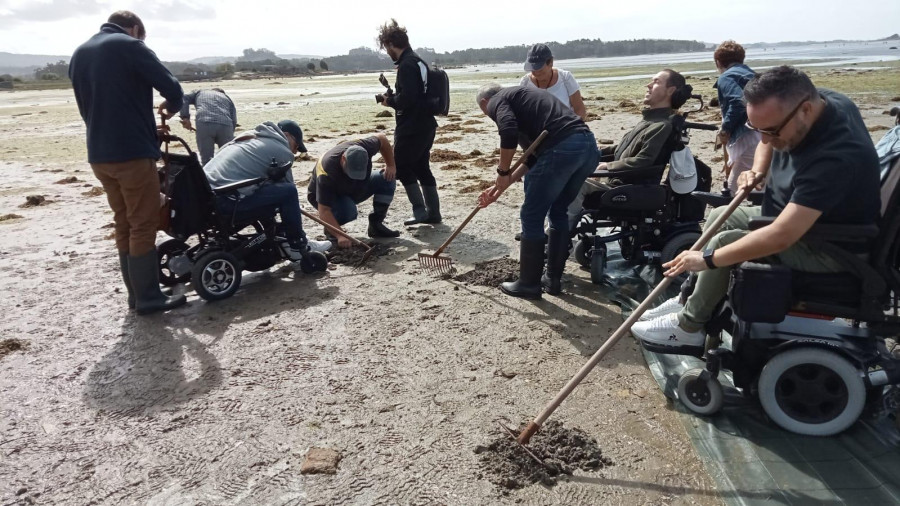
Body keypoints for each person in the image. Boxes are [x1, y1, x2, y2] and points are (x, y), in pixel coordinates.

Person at [631, 66, 881, 353]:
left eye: (773, 130)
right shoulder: (819, 101)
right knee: (719, 216)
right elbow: (766, 137)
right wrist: (758, 170)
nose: (767, 139)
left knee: (724, 243)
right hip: (805, 221)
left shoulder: (836, 158)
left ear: (806, 110)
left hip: (831, 248)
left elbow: (781, 236)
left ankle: (689, 328)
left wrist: (708, 260)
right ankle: (692, 297)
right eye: (758, 128)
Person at [69, 11, 187, 315]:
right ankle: (149, 298)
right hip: (132, 155)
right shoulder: (130, 46)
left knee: (123, 222)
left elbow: (99, 107)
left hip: (99, 154)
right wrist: (171, 107)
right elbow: (172, 88)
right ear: (136, 29)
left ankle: (136, 296)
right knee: (143, 224)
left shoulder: (80, 53)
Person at [476, 83, 600, 299]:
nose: (490, 115)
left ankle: (528, 284)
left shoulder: (497, 100)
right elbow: (532, 157)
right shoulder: (527, 102)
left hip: (563, 148)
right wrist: (501, 185)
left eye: (486, 113)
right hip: (587, 147)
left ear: (485, 103)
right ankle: (551, 280)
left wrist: (502, 170)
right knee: (558, 210)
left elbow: (507, 131)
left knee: (531, 214)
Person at [566, 69, 693, 230]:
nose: (648, 85)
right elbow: (618, 150)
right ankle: (557, 233)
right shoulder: (649, 121)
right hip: (619, 183)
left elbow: (645, 161)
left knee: (574, 185)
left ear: (670, 90)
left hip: (629, 187)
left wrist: (608, 166)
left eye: (656, 82)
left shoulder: (662, 126)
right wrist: (587, 154)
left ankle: (561, 236)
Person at [203, 120, 331, 259]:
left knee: (268, 191)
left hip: (205, 197)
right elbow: (289, 190)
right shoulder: (281, 150)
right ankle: (297, 246)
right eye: (296, 146)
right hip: (226, 201)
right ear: (287, 135)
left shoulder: (248, 138)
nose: (294, 152)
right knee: (288, 192)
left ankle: (281, 236)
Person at [376, 19, 441, 226]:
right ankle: (433, 213)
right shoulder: (418, 61)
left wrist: (389, 101)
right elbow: (417, 94)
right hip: (426, 124)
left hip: (412, 126)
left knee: (402, 166)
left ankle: (420, 212)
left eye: (386, 47)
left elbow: (408, 99)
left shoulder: (406, 64)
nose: (387, 52)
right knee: (422, 167)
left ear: (391, 44)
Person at [307, 134, 401, 248]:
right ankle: (331, 230)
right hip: (329, 197)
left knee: (387, 178)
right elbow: (324, 211)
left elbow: (382, 138)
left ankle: (376, 225)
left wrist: (391, 165)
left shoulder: (366, 146)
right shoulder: (327, 172)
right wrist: (341, 236)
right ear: (343, 159)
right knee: (349, 210)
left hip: (355, 188)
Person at [714, 41, 761, 193]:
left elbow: (737, 101)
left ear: (718, 62)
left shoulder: (726, 77)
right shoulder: (752, 74)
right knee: (762, 183)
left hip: (748, 137)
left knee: (733, 190)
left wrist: (725, 129)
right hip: (765, 134)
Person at [519, 43, 587, 120]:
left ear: (551, 62)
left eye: (540, 69)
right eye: (533, 69)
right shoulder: (524, 83)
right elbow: (521, 113)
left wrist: (575, 127)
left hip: (566, 126)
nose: (536, 73)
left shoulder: (566, 78)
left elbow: (579, 109)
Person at [179, 88, 238, 165]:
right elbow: (233, 119)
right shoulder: (227, 98)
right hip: (226, 124)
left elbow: (184, 97)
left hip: (205, 122)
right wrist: (229, 134)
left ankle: (206, 176)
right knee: (227, 159)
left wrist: (185, 117)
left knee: (207, 160)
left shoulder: (200, 92)